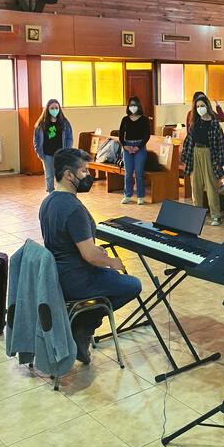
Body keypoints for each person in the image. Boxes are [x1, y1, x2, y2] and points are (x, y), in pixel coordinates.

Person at [39, 148, 142, 364]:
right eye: (84, 171)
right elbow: (89, 255)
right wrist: (111, 262)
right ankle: (84, 327)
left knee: (111, 277)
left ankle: (79, 324)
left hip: (56, 275)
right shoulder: (73, 208)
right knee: (132, 285)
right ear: (69, 175)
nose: (88, 175)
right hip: (76, 279)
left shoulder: (48, 202)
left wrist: (96, 253)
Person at [181, 94, 224, 226]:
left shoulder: (214, 124)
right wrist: (186, 157)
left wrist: (219, 162)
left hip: (209, 155)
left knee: (211, 187)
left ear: (207, 106)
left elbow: (221, 143)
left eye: (202, 106)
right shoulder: (194, 123)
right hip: (195, 154)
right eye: (197, 106)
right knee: (196, 187)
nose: (200, 108)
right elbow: (188, 141)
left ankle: (216, 216)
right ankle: (197, 216)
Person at [34, 99, 73, 194]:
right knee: (49, 175)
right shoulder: (41, 124)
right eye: (52, 108)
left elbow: (69, 137)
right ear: (47, 109)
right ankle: (50, 192)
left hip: (61, 153)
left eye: (56, 108)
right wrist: (38, 151)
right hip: (47, 153)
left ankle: (62, 192)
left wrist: (67, 150)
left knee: (62, 173)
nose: (54, 110)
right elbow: (36, 139)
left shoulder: (65, 123)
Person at [119, 96, 150, 204]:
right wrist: (125, 146)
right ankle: (127, 195)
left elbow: (147, 135)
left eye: (135, 105)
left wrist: (138, 147)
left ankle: (140, 196)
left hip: (139, 147)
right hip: (127, 146)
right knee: (128, 173)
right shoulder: (125, 119)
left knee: (139, 172)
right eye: (131, 105)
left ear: (139, 106)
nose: (133, 107)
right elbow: (120, 135)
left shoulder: (144, 119)